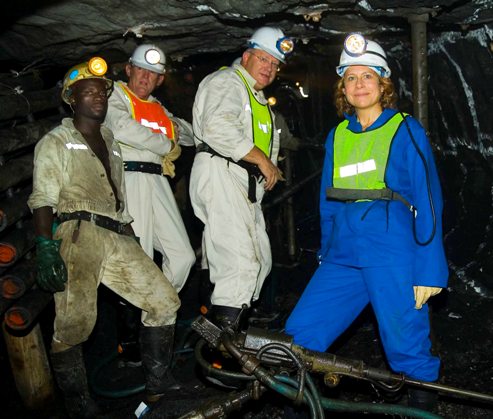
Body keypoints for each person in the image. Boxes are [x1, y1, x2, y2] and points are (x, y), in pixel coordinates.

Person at [285, 34, 449, 412]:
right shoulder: (338, 134)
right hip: (344, 253)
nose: (360, 85)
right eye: (351, 78)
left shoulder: (404, 129)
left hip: (392, 251)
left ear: (383, 83)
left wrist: (429, 269)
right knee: (298, 336)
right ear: (343, 86)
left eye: (368, 76)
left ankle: (423, 409)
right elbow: (328, 198)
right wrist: (326, 253)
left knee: (406, 346)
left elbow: (428, 199)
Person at [28, 58, 182, 418]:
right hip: (77, 233)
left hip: (117, 231)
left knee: (164, 301)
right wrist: (46, 247)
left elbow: (117, 193)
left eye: (102, 91)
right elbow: (43, 199)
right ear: (71, 98)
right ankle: (79, 403)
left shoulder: (111, 140)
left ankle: (159, 384)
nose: (98, 97)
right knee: (75, 323)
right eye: (89, 91)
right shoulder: (57, 141)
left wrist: (128, 228)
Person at [190, 27, 294, 328]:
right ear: (246, 56)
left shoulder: (257, 99)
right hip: (221, 171)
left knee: (259, 261)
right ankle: (221, 358)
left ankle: (225, 330)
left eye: (275, 64)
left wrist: (269, 168)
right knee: (239, 264)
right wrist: (262, 161)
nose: (270, 68)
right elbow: (217, 127)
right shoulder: (227, 82)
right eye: (264, 59)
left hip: (242, 183)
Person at [104, 44, 195, 293]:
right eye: (140, 70)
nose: (145, 77)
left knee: (183, 257)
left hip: (158, 180)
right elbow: (122, 128)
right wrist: (167, 143)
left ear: (160, 79)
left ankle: (157, 311)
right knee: (139, 256)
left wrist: (175, 129)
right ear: (128, 69)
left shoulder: (157, 107)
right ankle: (133, 318)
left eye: (152, 73)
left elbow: (189, 134)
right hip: (129, 177)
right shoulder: (115, 95)